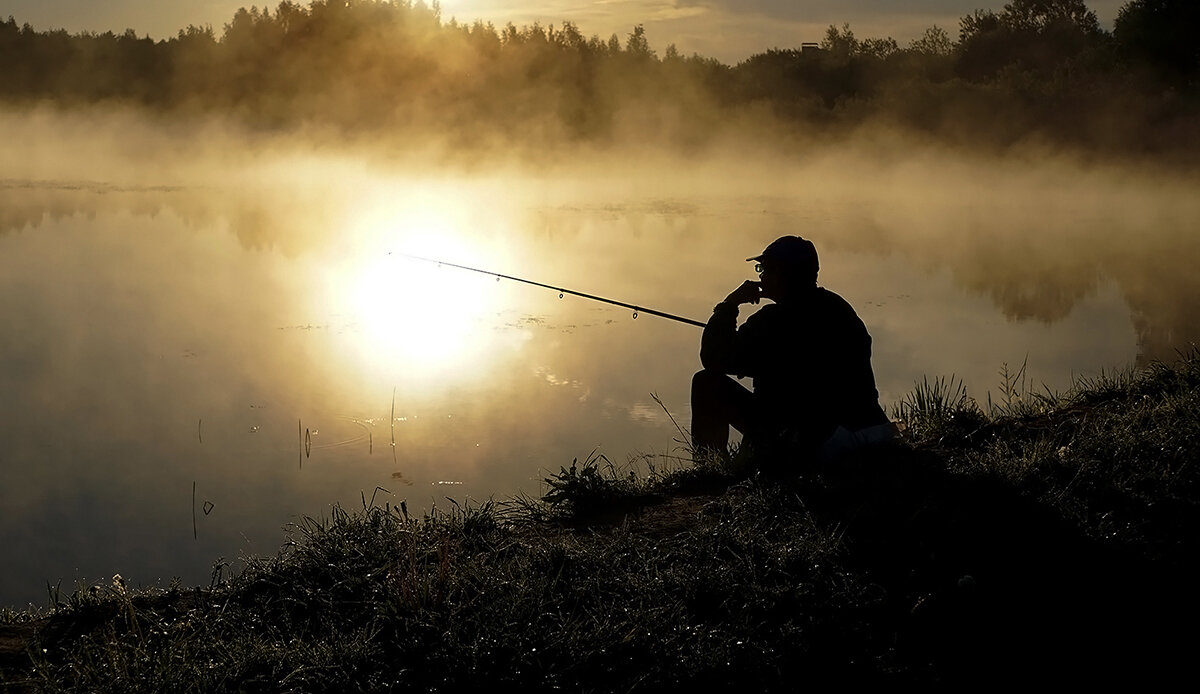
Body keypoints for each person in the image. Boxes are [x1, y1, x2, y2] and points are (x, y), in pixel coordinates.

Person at [691, 235, 895, 465]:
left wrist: (729, 305)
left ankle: (711, 469)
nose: (760, 276)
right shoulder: (840, 309)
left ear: (782, 274)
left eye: (765, 269)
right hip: (868, 430)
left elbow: (712, 357)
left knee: (706, 384)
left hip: (811, 441)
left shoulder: (771, 321)